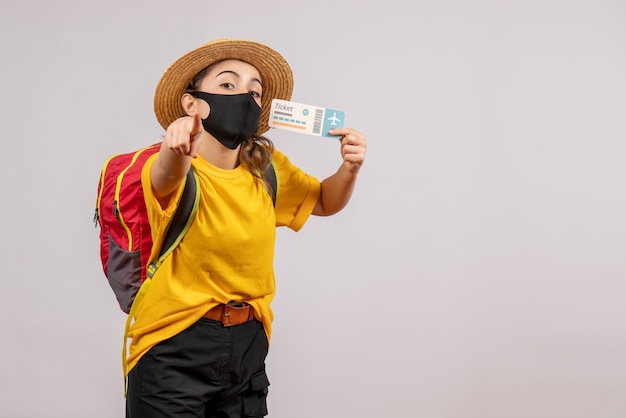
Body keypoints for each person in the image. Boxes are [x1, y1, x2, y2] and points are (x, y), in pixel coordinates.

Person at [125, 38, 367, 417]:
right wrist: (175, 150)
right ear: (191, 103)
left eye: (255, 91)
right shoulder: (168, 166)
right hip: (173, 344)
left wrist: (349, 169)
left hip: (247, 343)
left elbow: (323, 201)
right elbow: (166, 175)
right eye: (227, 85)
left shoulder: (267, 168)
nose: (244, 97)